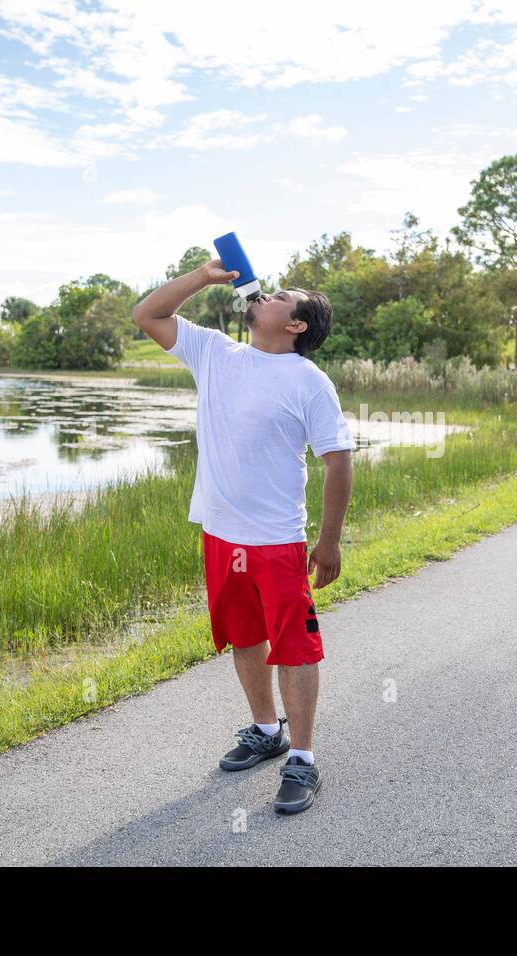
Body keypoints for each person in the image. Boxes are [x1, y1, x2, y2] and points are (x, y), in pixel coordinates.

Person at [133, 258, 354, 815]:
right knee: (244, 635)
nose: (268, 294)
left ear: (296, 324)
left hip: (278, 541)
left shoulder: (309, 382)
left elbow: (338, 461)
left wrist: (328, 542)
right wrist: (202, 278)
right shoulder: (215, 352)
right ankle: (265, 729)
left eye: (282, 296)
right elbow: (147, 313)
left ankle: (302, 758)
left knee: (295, 646)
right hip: (219, 533)